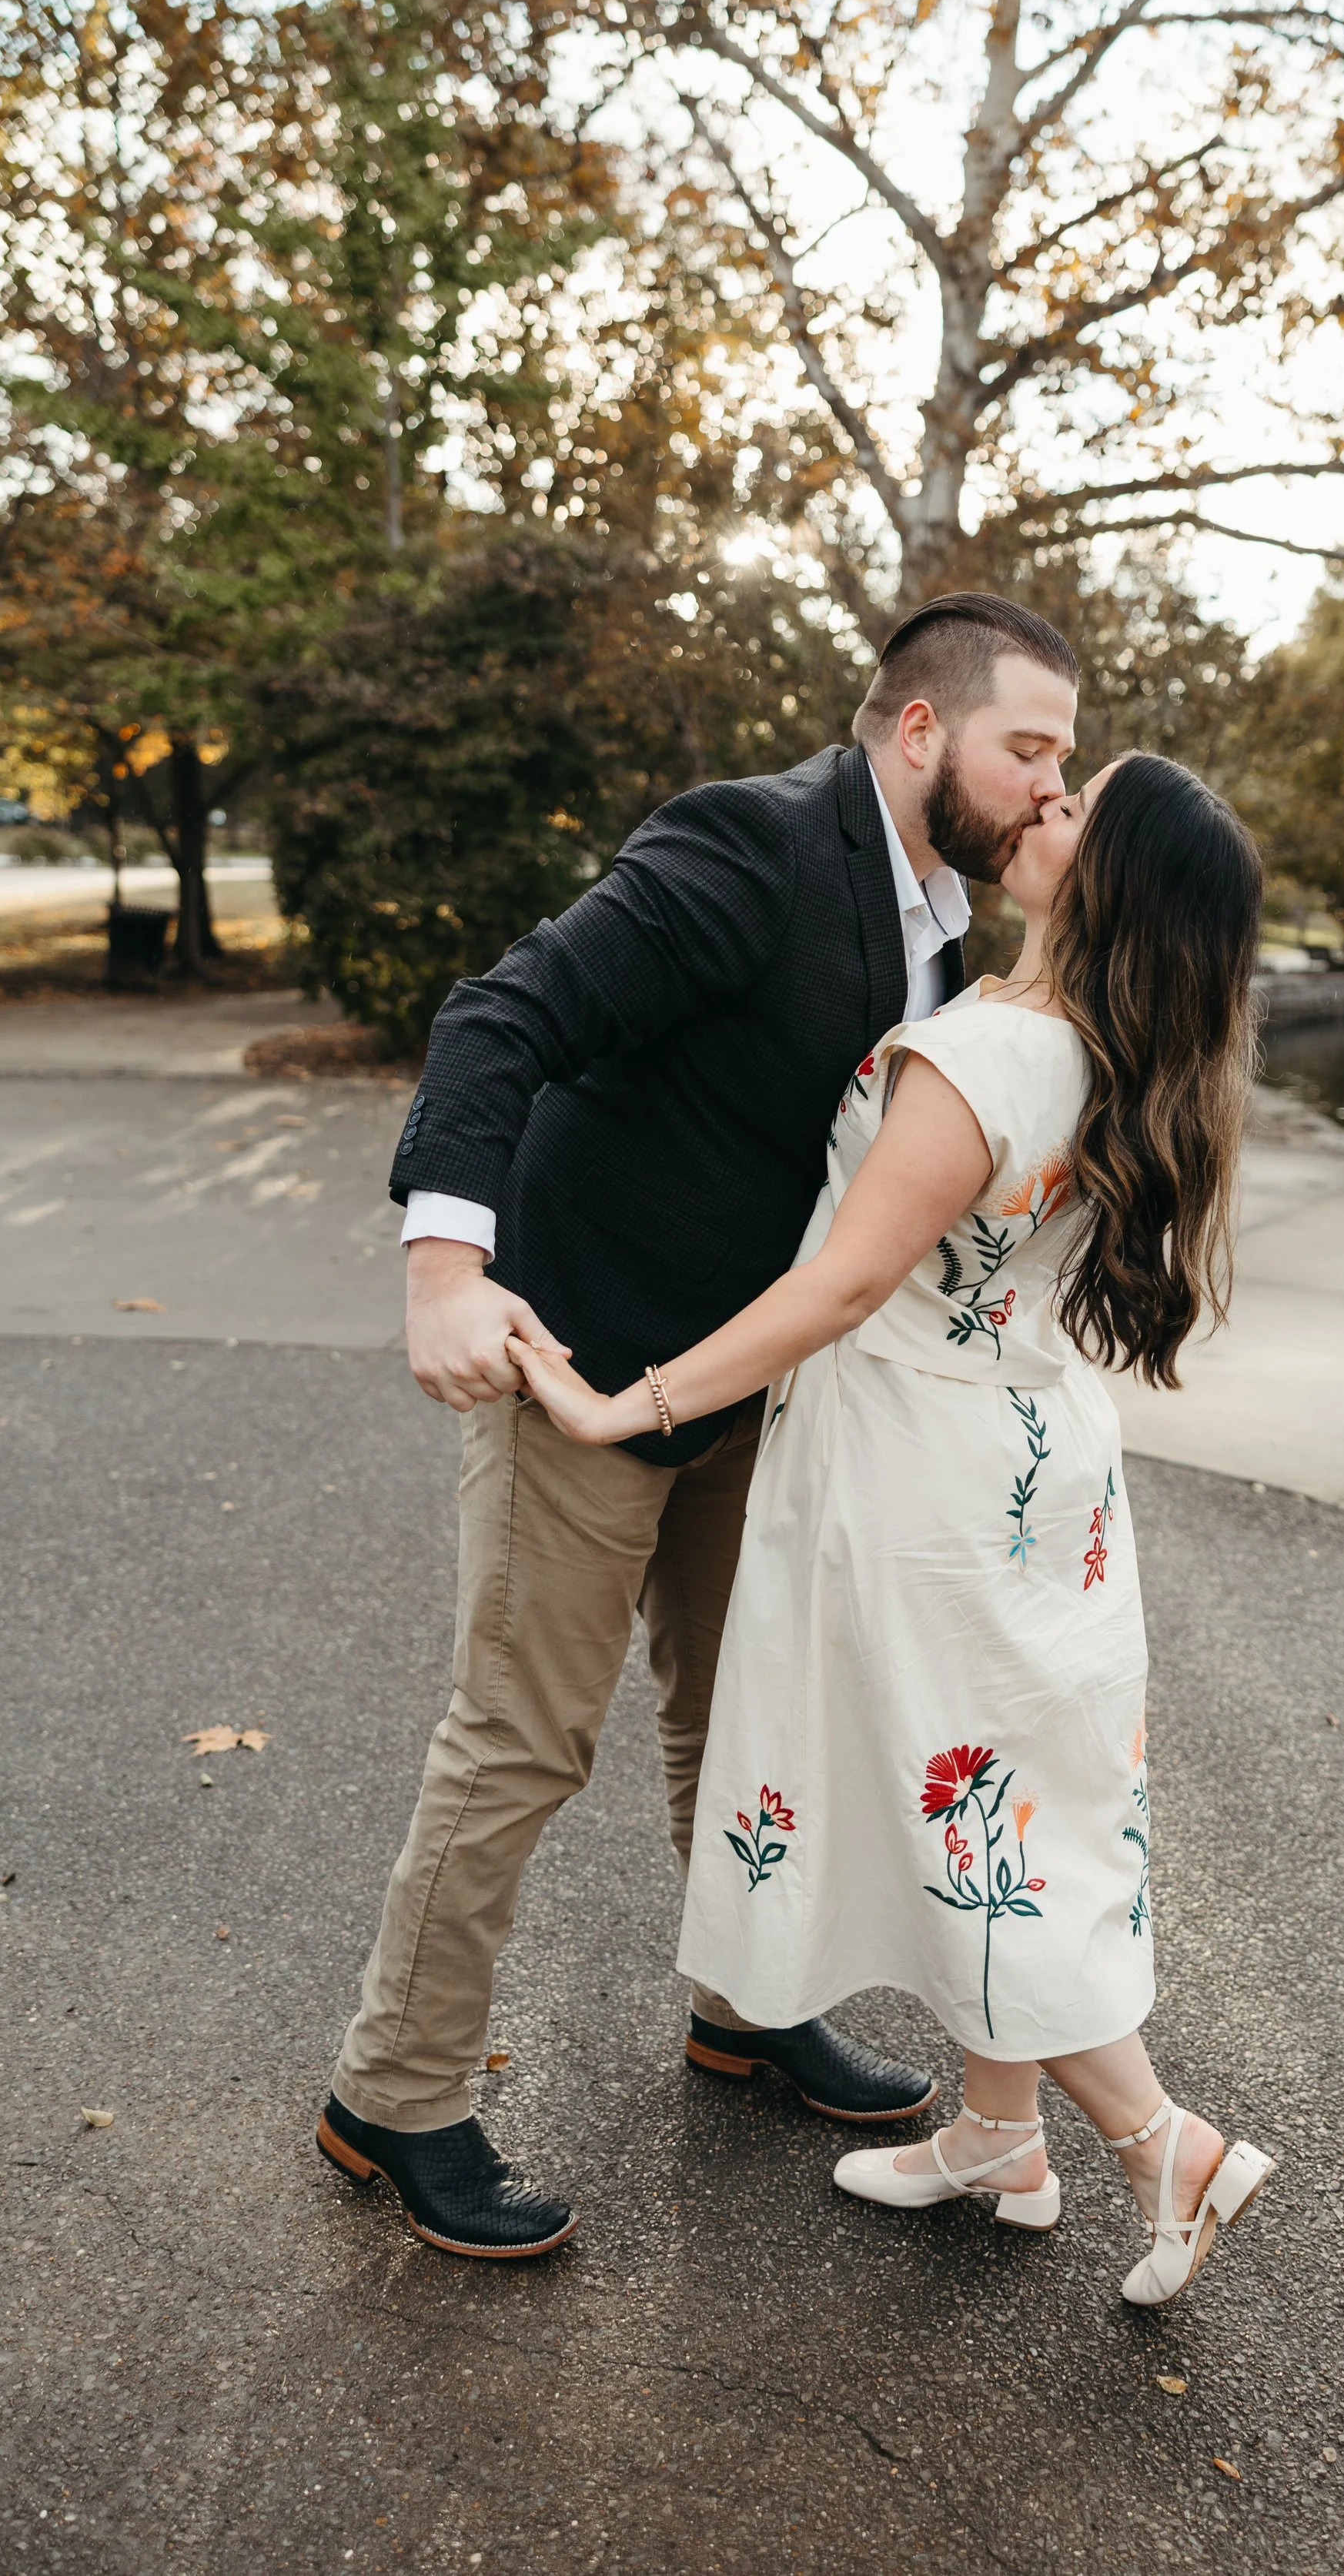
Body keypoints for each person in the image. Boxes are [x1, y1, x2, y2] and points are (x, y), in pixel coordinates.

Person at [316, 594, 1082, 2260]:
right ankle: (393, 2095)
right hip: (581, 1359)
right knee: (520, 1741)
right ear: (915, 732)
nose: (1045, 785)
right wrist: (447, 1266)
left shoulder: (956, 920)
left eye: (1064, 761)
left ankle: (745, 2008)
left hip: (754, 1386)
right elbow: (496, 1019)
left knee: (744, 1720)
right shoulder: (747, 847)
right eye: (1026, 747)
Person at [509, 751, 1277, 2306]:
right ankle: (1000, 2136)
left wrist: (623, 1406)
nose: (1039, 811)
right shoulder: (1116, 1053)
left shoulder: (987, 1054)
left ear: (1110, 879)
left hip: (921, 1473)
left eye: (1076, 809)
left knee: (971, 1830)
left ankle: (1158, 2144)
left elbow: (837, 1287)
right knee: (1009, 1801)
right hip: (1025, 1458)